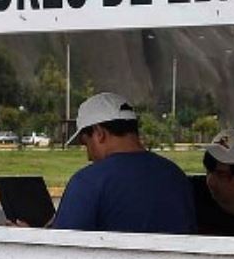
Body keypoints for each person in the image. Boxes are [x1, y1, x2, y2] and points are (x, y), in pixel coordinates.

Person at [48, 93, 196, 234]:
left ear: (99, 133)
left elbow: (60, 249)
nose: (89, 157)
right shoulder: (176, 176)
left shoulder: (88, 182)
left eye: (86, 144)